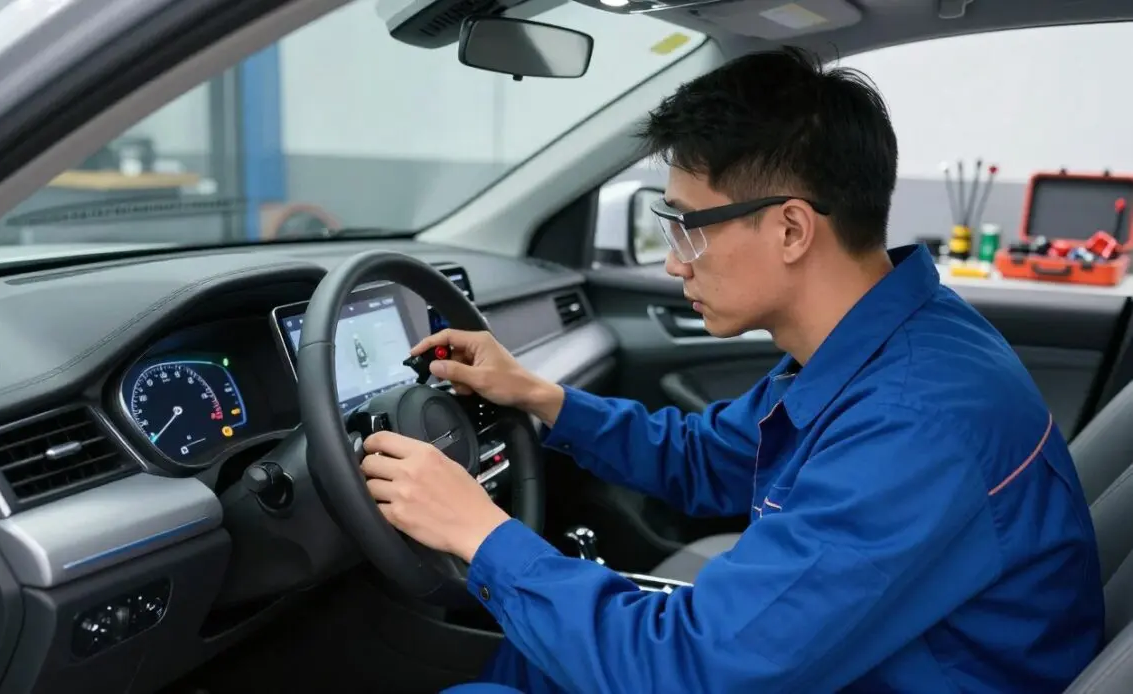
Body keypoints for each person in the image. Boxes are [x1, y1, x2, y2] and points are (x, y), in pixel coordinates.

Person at [358, 47, 1104, 693]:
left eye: (685, 226)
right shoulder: (885, 341)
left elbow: (693, 672)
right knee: (535, 661)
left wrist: (479, 531)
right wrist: (541, 398)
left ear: (789, 229)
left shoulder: (913, 420)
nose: (672, 258)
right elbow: (709, 455)